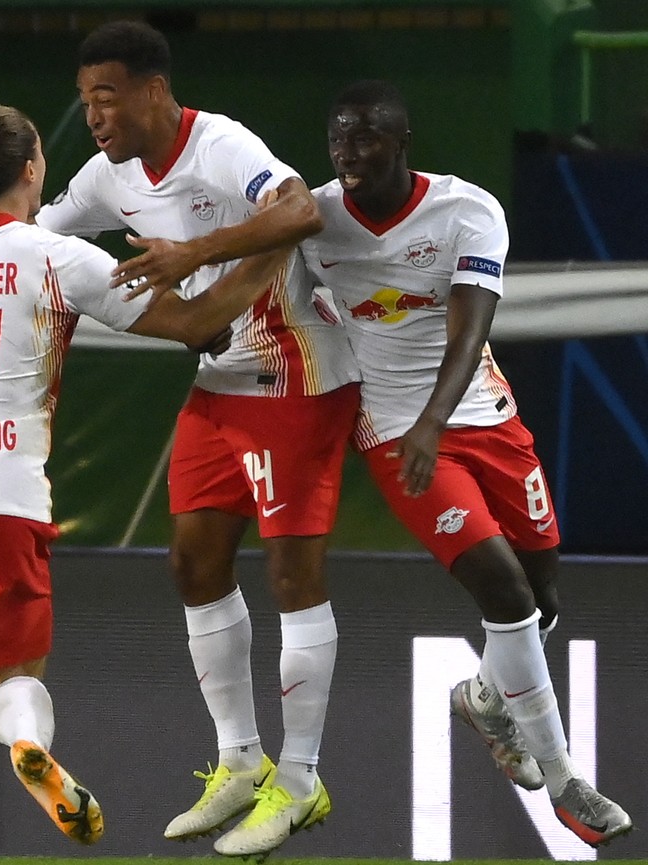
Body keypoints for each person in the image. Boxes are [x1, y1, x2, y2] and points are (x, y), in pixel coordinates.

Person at [0, 103, 294, 865]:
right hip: (6, 498)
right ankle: (28, 740)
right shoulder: (60, 258)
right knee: (13, 673)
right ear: (33, 170)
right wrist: (272, 248)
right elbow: (200, 324)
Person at [32, 21, 361, 857]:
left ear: (151, 89)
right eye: (84, 101)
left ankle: (302, 778)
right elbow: (29, 229)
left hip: (296, 370)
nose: (95, 115)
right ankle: (241, 762)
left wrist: (195, 253)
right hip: (221, 381)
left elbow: (298, 210)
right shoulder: (107, 177)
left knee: (292, 573)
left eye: (106, 96)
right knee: (191, 561)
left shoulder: (218, 143)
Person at [301, 79, 631, 847]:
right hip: (394, 433)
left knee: (545, 596)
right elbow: (280, 299)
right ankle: (564, 781)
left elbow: (469, 330)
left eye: (366, 135)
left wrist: (435, 420)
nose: (349, 149)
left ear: (402, 140)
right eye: (338, 136)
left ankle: (487, 696)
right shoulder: (311, 222)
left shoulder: (466, 210)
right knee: (505, 589)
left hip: (482, 418)